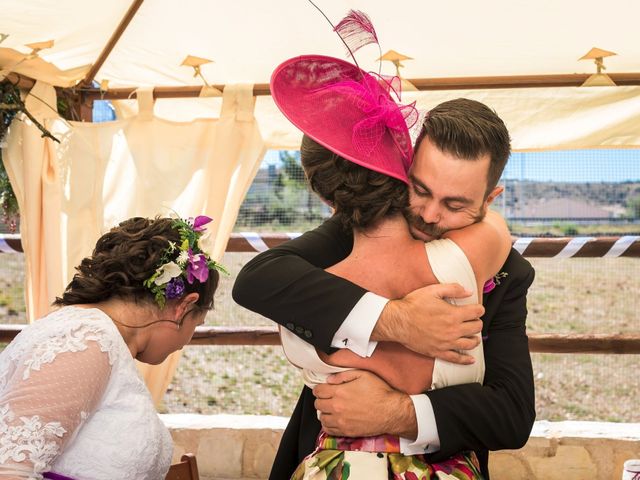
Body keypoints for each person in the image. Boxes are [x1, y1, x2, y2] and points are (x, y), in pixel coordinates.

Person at [233, 86, 536, 479]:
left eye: (455, 204)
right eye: (420, 190)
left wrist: (398, 412)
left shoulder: (509, 272)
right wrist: (396, 320)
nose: (428, 214)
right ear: (404, 171)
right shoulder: (352, 230)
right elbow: (258, 280)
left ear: (489, 199)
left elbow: (511, 416)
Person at [0, 215, 226, 480]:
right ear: (184, 307)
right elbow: (9, 470)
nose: (185, 342)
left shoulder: (100, 339)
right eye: (196, 325)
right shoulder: (85, 341)